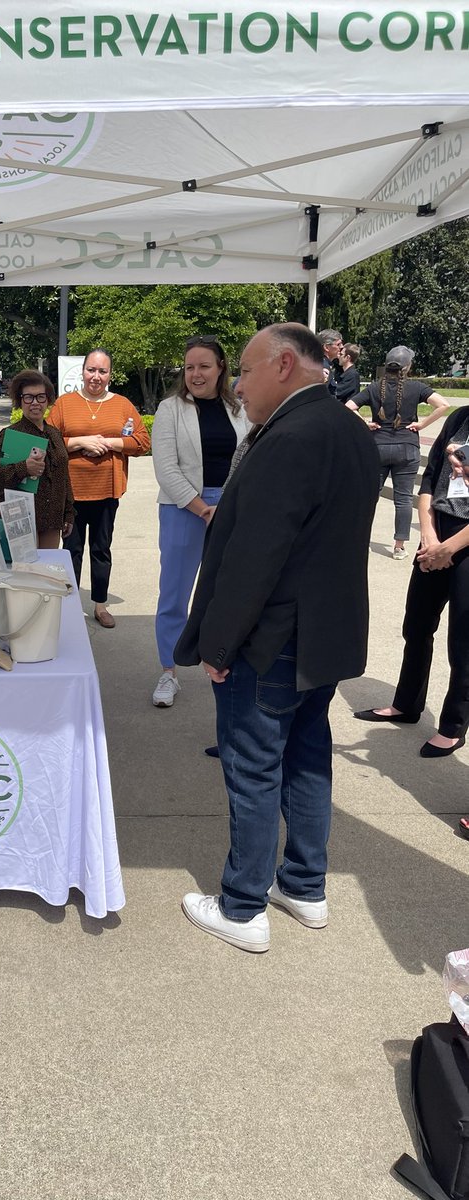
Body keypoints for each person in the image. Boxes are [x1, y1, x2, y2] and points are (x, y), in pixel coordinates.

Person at [175, 323, 379, 953]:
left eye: (245, 369)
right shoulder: (347, 428)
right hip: (322, 636)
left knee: (254, 766)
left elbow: (254, 557)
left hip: (273, 638)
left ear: (285, 365)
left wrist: (217, 645)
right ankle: (304, 886)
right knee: (307, 757)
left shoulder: (292, 435)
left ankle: (241, 906)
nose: (238, 383)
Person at [354, 413, 469, 759]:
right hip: (436, 532)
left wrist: (449, 549)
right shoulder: (460, 418)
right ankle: (406, 704)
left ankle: (453, 726)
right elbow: (431, 476)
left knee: (463, 641)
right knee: (416, 625)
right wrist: (430, 536)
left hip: (464, 541)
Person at [151, 336, 249, 708]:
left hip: (232, 507)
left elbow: (249, 457)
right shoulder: (169, 409)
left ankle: (226, 664)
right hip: (183, 509)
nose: (195, 373)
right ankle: (169, 671)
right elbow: (166, 468)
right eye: (190, 367)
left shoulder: (239, 408)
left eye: (204, 366)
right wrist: (203, 509)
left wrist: (227, 506)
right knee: (174, 595)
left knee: (231, 592)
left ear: (221, 367)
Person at [48, 349, 150, 627]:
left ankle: (100, 605)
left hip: (107, 491)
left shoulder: (122, 405)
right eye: (91, 370)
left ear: (110, 375)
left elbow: (142, 442)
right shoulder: (64, 404)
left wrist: (110, 443)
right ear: (82, 371)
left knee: (101, 549)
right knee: (71, 550)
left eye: (102, 371)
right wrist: (81, 442)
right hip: (71, 494)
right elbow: (48, 440)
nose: (96, 376)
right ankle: (68, 606)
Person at [346, 345, 449, 559]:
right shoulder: (417, 388)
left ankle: (360, 540)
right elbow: (443, 404)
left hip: (378, 448)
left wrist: (366, 423)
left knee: (369, 497)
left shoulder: (374, 388)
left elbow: (348, 407)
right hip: (408, 448)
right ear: (407, 367)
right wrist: (422, 425)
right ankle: (399, 546)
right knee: (403, 500)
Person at [0, 370, 74, 550]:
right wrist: (23, 468)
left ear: (48, 400)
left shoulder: (55, 435)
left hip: (51, 522)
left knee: (44, 574)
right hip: (18, 521)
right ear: (20, 400)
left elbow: (64, 477)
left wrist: (69, 513)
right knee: (21, 575)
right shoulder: (9, 435)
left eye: (40, 397)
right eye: (28, 397)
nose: (35, 403)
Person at [318, 329, 343, 398]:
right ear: (326, 347)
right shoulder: (323, 366)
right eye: (338, 344)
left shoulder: (323, 363)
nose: (342, 347)